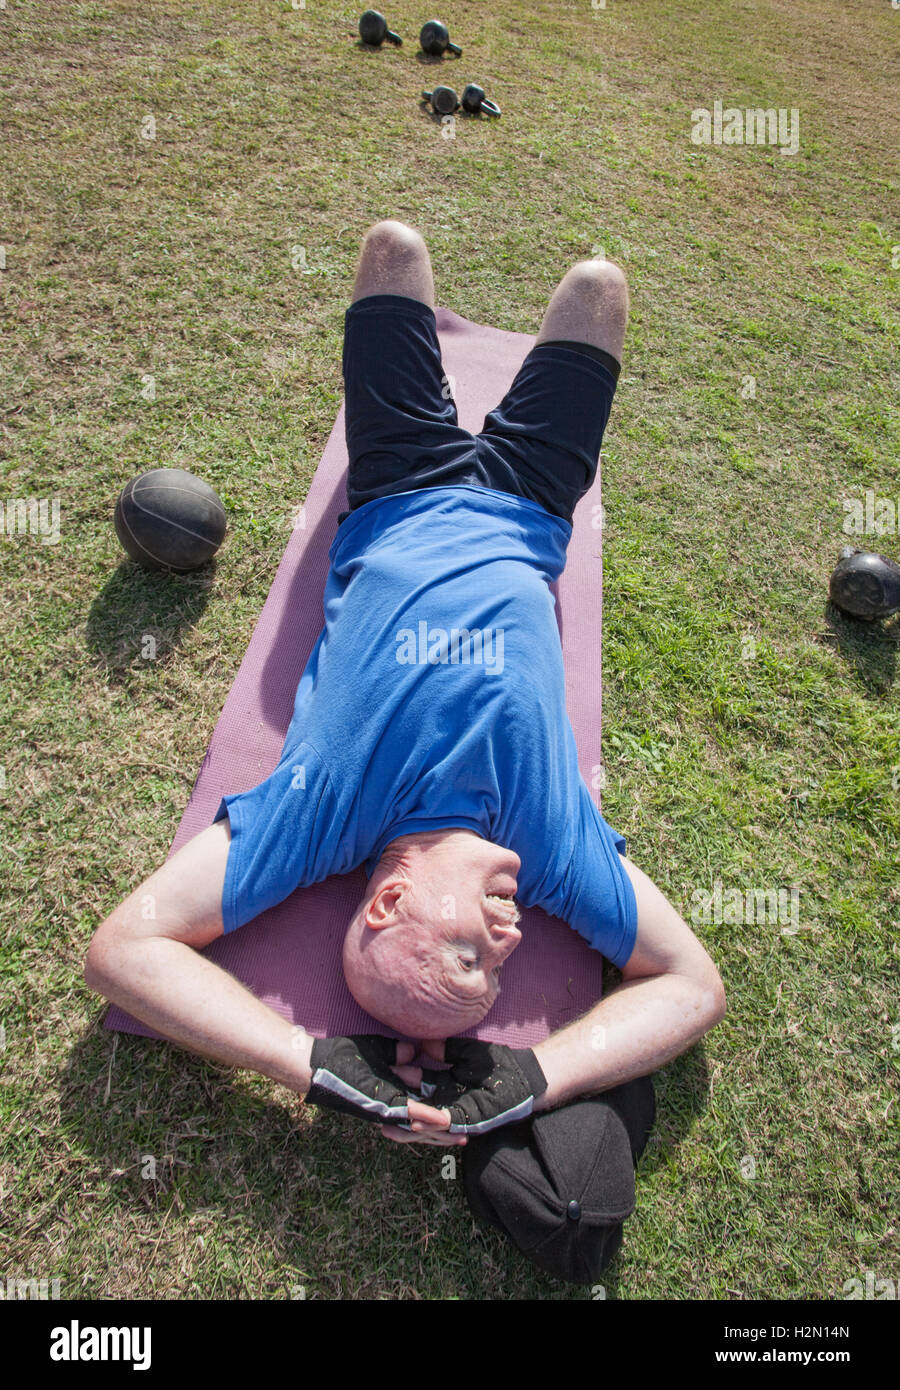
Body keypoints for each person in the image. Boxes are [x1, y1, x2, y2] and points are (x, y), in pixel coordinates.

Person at [84, 221, 725, 1151]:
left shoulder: (318, 817)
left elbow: (124, 951)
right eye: (497, 976)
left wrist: (310, 1064)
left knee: (393, 248)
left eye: (469, 952)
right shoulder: (546, 849)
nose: (509, 944)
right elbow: (692, 987)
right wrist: (537, 1076)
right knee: (597, 284)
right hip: (533, 501)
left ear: (388, 903)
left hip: (400, 482)